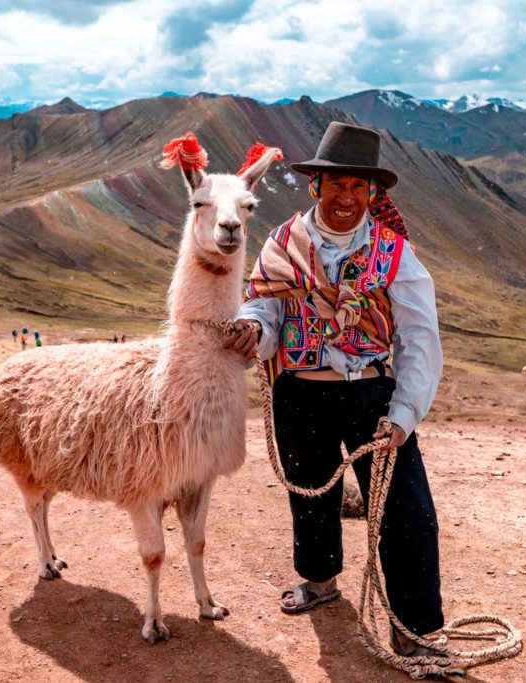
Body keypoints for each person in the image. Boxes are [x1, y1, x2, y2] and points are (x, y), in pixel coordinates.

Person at [223, 122, 445, 658]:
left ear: (372, 194)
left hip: (373, 396)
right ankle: (320, 582)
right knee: (310, 492)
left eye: (358, 188)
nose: (347, 198)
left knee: (406, 510)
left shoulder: (394, 255)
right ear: (315, 187)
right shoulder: (283, 245)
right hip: (300, 392)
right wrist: (254, 329)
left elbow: (419, 337)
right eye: (337, 185)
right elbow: (264, 306)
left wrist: (405, 412)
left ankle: (413, 626)